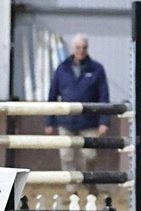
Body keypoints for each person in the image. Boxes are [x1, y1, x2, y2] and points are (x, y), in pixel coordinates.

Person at [44, 34, 111, 194]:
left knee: (90, 154)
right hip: (66, 122)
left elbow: (104, 96)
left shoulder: (97, 69)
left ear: (87, 49)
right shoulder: (62, 68)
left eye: (84, 48)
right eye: (78, 48)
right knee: (66, 155)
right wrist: (49, 121)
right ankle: (71, 187)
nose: (81, 51)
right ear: (73, 49)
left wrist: (104, 121)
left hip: (89, 121)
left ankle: (88, 181)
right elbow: (52, 95)